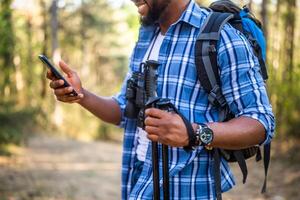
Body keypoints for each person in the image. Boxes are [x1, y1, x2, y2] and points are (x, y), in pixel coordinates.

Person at [47, 0, 275, 199]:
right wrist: (81, 95)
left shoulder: (222, 38)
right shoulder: (146, 36)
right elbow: (123, 110)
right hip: (138, 185)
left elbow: (261, 123)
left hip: (191, 192)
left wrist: (194, 133)